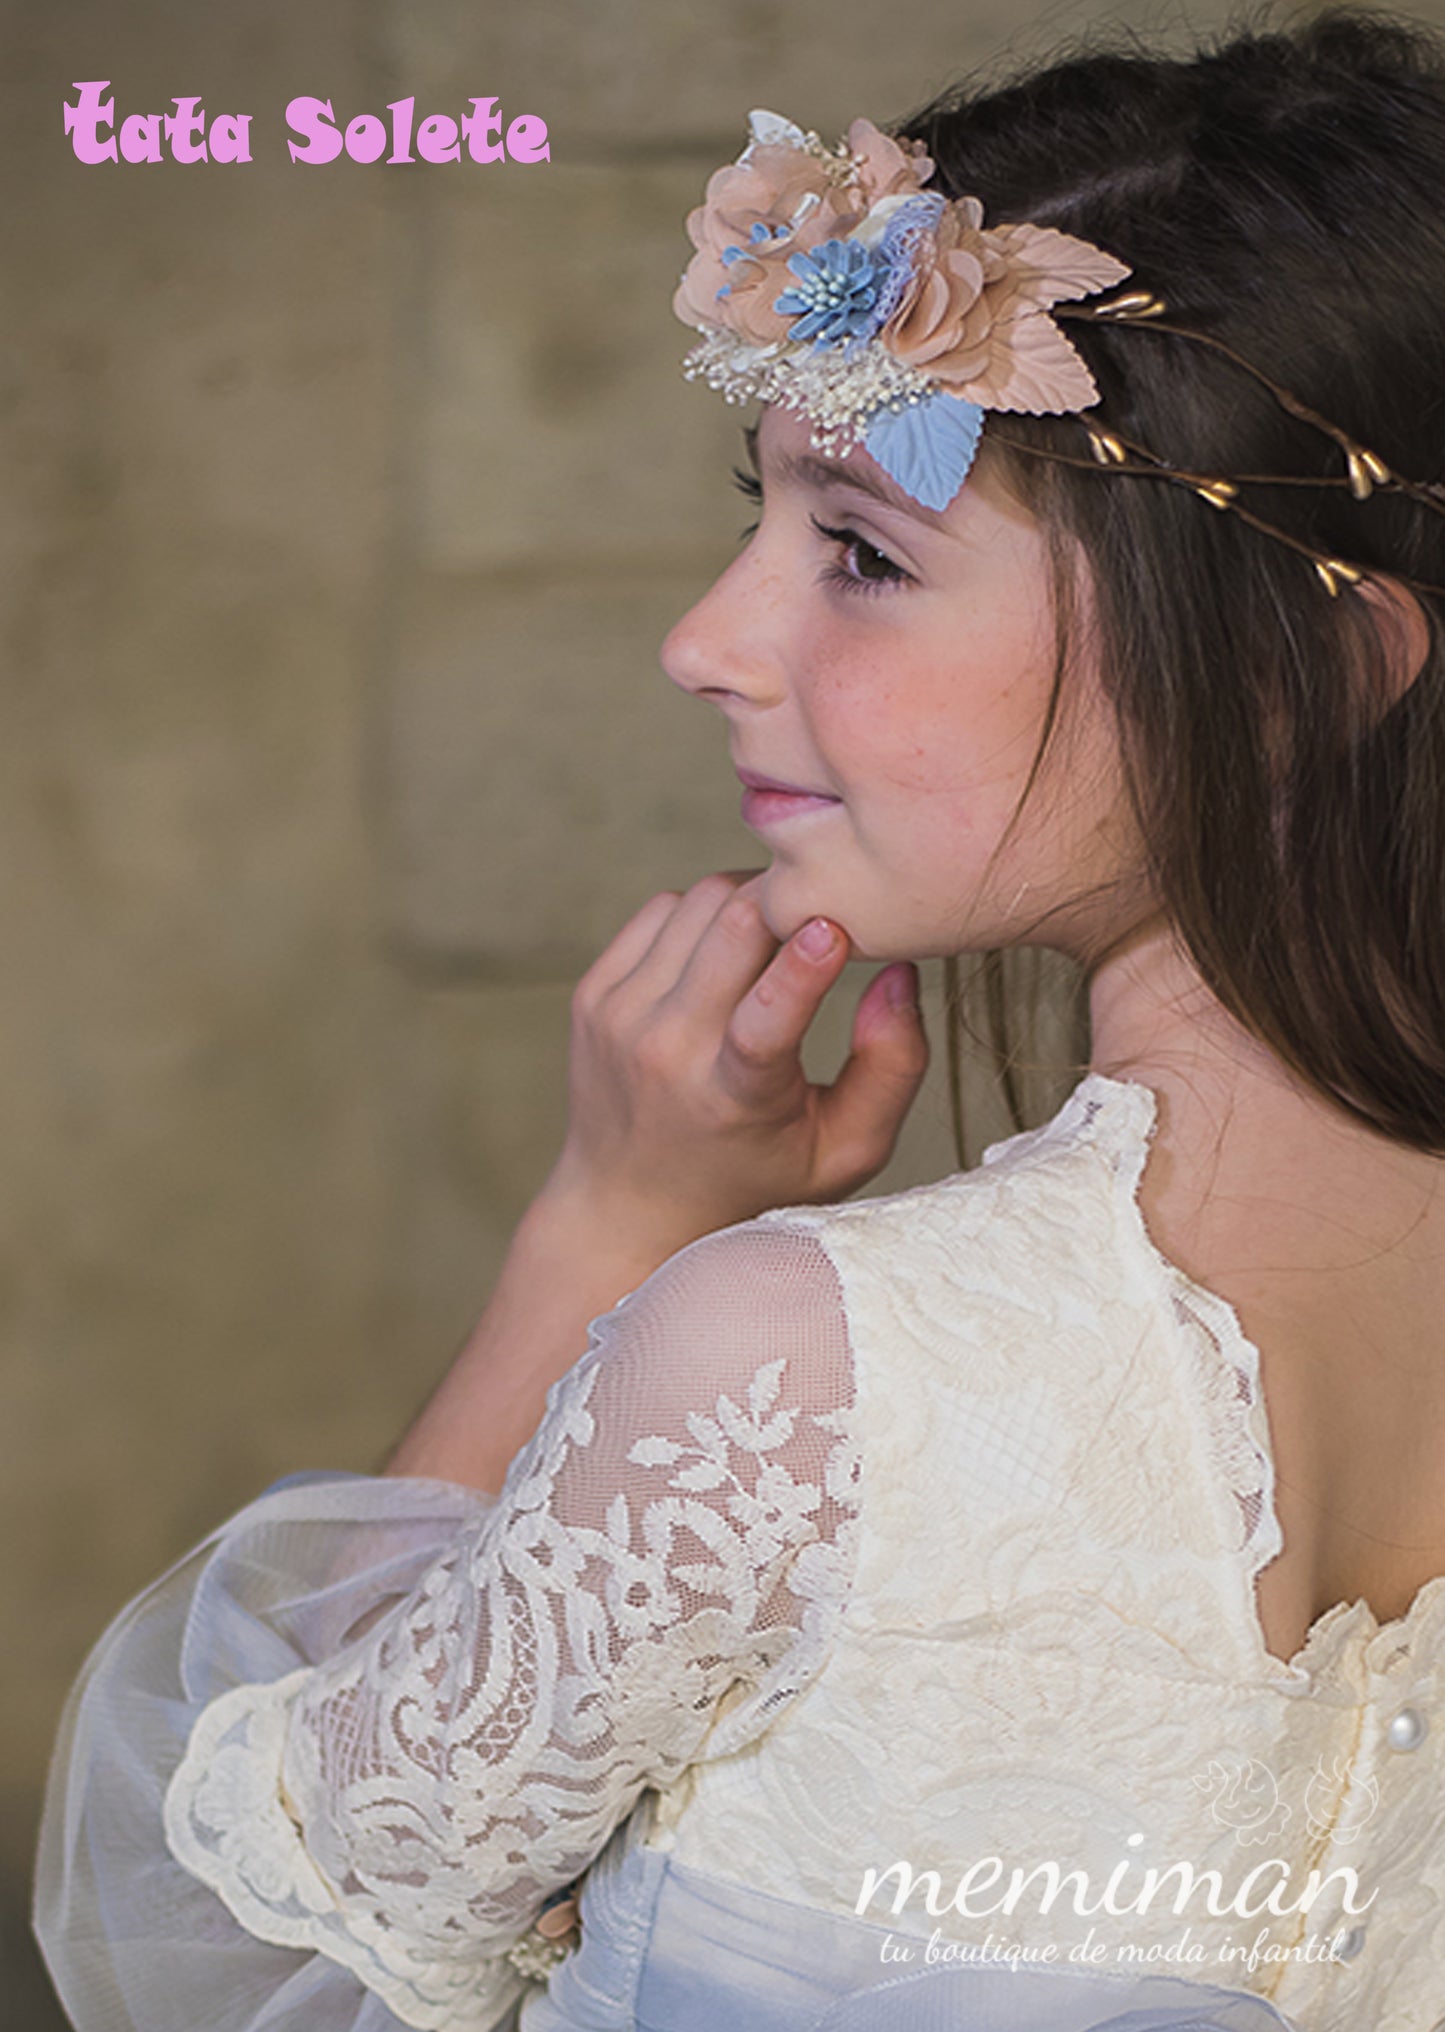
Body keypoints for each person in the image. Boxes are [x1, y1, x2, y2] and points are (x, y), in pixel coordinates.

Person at [33, 9, 1445, 2029]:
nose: (706, 639)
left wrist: (607, 1230)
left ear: (1311, 674)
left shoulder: (797, 1380)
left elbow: (230, 1946)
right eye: (760, 516)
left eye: (861, 547)